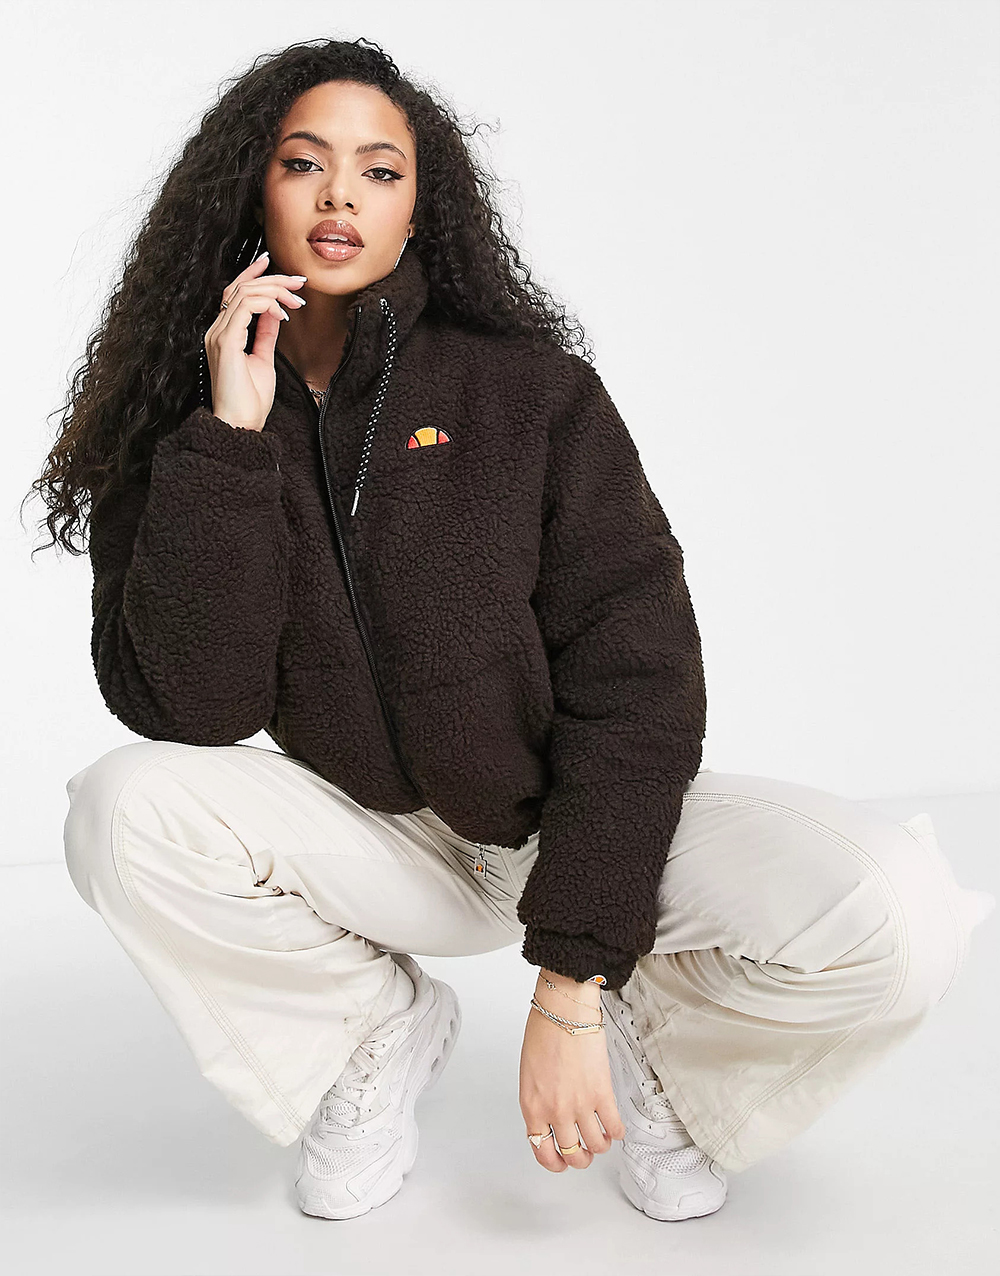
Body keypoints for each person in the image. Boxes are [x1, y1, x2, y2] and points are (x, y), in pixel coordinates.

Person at [30, 38, 994, 1223]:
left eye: (380, 171)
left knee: (897, 910)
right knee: (121, 809)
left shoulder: (526, 391)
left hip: (572, 818)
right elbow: (193, 709)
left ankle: (670, 1065)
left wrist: (573, 977)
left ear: (418, 207)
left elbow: (638, 678)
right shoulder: (186, 433)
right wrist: (229, 443)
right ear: (252, 188)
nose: (340, 195)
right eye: (304, 162)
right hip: (379, 844)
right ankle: (368, 1035)